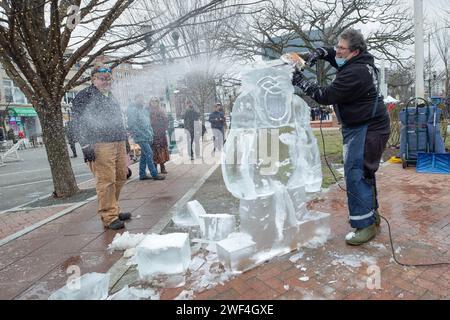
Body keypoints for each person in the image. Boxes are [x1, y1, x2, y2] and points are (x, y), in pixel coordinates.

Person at [286, 29, 390, 245]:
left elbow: (326, 96)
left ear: (355, 51)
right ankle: (371, 215)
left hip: (368, 128)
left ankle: (365, 225)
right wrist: (313, 54)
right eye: (338, 46)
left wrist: (299, 79)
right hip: (365, 125)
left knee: (356, 173)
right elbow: (331, 53)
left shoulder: (357, 72)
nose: (338, 51)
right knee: (365, 173)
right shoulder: (358, 62)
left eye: (342, 48)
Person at [71, 64, 131, 230]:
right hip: (99, 143)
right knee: (106, 181)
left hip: (117, 141)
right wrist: (85, 145)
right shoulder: (85, 96)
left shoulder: (111, 97)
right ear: (93, 79)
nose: (106, 81)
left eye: (108, 79)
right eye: (102, 79)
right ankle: (109, 216)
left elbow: (119, 121)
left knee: (120, 176)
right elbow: (77, 122)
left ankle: (114, 208)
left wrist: (125, 143)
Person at [127, 94, 165, 181]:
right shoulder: (133, 111)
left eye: (142, 99)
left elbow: (147, 124)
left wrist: (150, 133)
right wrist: (142, 134)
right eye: (139, 99)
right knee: (149, 153)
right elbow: (132, 125)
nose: (141, 100)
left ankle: (142, 174)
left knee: (144, 155)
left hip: (147, 136)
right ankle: (154, 174)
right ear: (135, 99)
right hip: (141, 137)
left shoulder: (143, 110)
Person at [149, 97, 170, 174]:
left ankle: (162, 166)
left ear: (158, 102)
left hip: (161, 134)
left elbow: (166, 121)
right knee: (153, 151)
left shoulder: (161, 111)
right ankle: (154, 168)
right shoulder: (148, 111)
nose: (154, 103)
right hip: (152, 134)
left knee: (161, 150)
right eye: (152, 101)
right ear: (150, 102)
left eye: (155, 101)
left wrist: (163, 129)